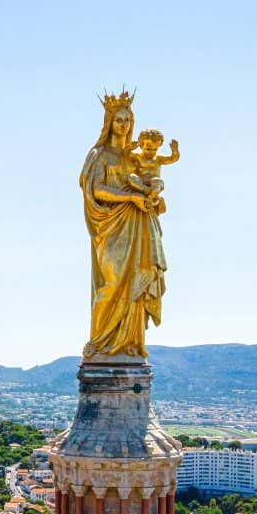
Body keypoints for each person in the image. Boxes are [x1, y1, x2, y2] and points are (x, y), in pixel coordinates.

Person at [80, 91, 168, 357]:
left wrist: (155, 196)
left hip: (138, 223)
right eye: (118, 119)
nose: (123, 124)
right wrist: (130, 196)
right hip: (111, 225)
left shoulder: (135, 156)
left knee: (135, 284)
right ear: (109, 122)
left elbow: (151, 181)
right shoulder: (100, 154)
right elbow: (95, 189)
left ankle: (129, 343)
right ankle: (100, 343)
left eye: (127, 119)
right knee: (112, 281)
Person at [128, 129, 180, 215]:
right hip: (141, 183)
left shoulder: (158, 159)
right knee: (132, 177)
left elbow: (172, 159)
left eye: (155, 149)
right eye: (148, 149)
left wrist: (175, 150)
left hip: (154, 182)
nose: (151, 152)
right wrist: (130, 148)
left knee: (158, 181)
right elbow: (125, 155)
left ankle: (150, 198)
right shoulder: (137, 157)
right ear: (141, 146)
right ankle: (153, 196)